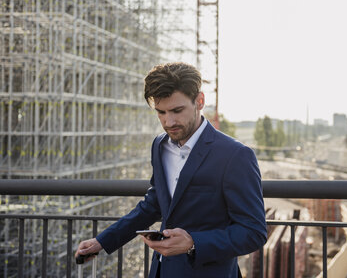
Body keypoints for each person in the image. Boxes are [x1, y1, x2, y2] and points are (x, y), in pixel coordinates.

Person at [75, 62, 267, 277]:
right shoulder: (159, 145)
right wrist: (102, 241)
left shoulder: (236, 155)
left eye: (177, 110)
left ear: (200, 101)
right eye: (161, 112)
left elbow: (253, 232)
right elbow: (154, 204)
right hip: (161, 271)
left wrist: (193, 243)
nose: (169, 121)